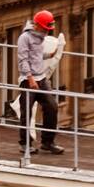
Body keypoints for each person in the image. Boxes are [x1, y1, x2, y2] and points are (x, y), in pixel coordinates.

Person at [17, 10, 64, 155]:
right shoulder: (24, 38)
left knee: (52, 107)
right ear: (37, 25)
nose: (47, 32)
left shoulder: (40, 37)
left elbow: (36, 55)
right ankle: (25, 144)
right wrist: (30, 78)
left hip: (41, 79)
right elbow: (23, 60)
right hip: (28, 81)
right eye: (45, 28)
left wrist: (49, 55)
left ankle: (47, 142)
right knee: (27, 113)